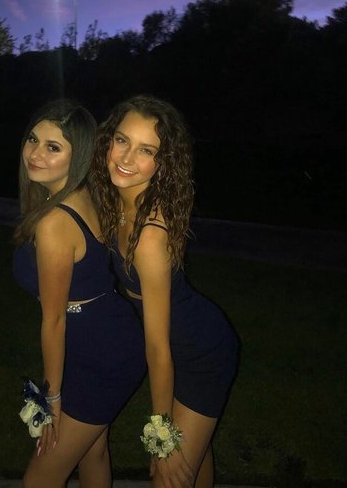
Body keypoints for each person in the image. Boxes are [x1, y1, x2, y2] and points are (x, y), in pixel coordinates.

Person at [91, 95, 239, 488]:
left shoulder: (149, 236)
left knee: (168, 473)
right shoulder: (117, 200)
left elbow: (158, 350)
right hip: (179, 342)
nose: (127, 157)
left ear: (163, 163)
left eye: (146, 150)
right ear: (107, 139)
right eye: (122, 140)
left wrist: (160, 437)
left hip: (199, 351)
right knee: (194, 460)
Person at [12, 100, 146, 488]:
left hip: (99, 354)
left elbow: (54, 319)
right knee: (93, 451)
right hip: (107, 335)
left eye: (53, 147)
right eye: (33, 139)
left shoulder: (54, 222)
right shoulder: (82, 195)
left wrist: (50, 398)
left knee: (40, 478)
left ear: (79, 156)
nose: (35, 153)